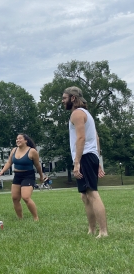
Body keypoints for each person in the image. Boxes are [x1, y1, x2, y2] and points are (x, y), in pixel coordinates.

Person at [62, 86, 108, 238]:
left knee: (92, 193)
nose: (63, 101)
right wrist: (99, 160)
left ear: (73, 98)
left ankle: (103, 232)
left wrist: (77, 162)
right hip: (90, 155)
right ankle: (92, 230)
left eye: (64, 98)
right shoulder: (86, 114)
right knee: (85, 195)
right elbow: (96, 138)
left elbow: (81, 138)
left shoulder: (77, 114)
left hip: (85, 156)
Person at [0, 134, 44, 221]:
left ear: (26, 141)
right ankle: (20, 218)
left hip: (28, 175)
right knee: (15, 198)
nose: (17, 140)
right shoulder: (14, 150)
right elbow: (9, 163)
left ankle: (36, 218)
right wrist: (2, 171)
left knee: (25, 197)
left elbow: (37, 165)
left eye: (20, 139)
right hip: (17, 176)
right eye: (17, 139)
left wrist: (41, 176)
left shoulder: (32, 151)